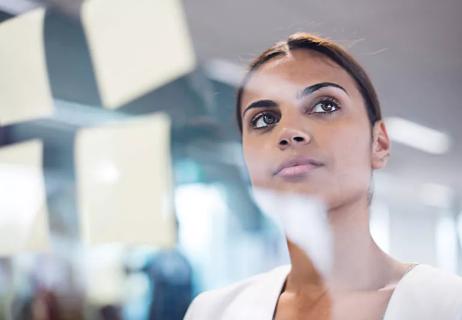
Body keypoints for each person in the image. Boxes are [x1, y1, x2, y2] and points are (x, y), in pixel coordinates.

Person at [184, 33, 462, 319]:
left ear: (378, 143)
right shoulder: (212, 312)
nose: (288, 132)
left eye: (324, 105)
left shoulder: (448, 305)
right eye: (264, 119)